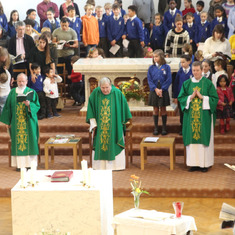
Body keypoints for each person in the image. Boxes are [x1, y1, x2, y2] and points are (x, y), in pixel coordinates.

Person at [178, 61, 219, 173]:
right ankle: (193, 164)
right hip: (190, 118)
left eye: (197, 70)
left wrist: (203, 98)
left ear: (202, 70)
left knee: (203, 140)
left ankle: (204, 164)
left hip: (204, 117)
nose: (195, 72)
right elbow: (181, 98)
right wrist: (190, 98)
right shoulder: (186, 84)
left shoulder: (207, 83)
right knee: (192, 141)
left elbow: (215, 99)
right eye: (193, 70)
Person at [86, 77, 132, 170]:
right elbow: (90, 109)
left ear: (111, 85)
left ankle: (117, 166)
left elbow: (124, 109)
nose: (105, 90)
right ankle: (100, 166)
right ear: (100, 87)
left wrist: (122, 122)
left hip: (115, 126)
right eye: (103, 88)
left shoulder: (117, 93)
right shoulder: (95, 93)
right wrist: (93, 124)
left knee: (114, 139)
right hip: (100, 127)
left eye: (107, 87)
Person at [0, 73, 40, 170]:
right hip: (15, 123)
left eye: (23, 81)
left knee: (30, 141)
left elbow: (37, 106)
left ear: (26, 81)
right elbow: (7, 108)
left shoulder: (31, 92)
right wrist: (7, 121)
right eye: (19, 81)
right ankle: (20, 165)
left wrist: (29, 105)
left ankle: (30, 164)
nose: (21, 83)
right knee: (17, 142)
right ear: (16, 82)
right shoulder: (12, 92)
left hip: (29, 122)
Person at [147, 49, 172, 135]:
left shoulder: (166, 67)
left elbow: (169, 79)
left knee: (163, 108)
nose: (155, 58)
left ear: (161, 57)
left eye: (156, 56)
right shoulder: (151, 68)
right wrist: (155, 89)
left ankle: (164, 128)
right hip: (154, 90)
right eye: (154, 56)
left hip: (163, 90)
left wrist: (162, 89)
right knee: (155, 109)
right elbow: (149, 80)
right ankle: (156, 128)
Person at [173, 54, 192, 135]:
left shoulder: (192, 71)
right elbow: (176, 84)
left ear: (189, 61)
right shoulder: (180, 72)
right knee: (182, 112)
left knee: (190, 112)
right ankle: (183, 127)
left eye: (183, 62)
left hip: (191, 96)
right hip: (182, 96)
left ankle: (190, 128)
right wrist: (175, 96)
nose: (182, 64)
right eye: (181, 62)